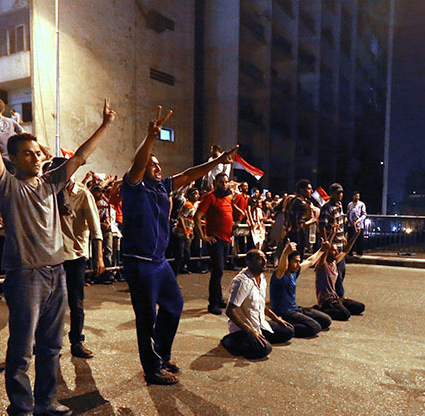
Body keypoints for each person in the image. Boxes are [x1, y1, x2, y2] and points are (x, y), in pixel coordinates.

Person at [0, 67, 116, 416]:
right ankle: (21, 413)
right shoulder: (9, 186)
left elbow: (79, 156)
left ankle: (46, 401)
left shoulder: (50, 182)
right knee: (21, 349)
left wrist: (105, 124)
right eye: (28, 154)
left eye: (37, 152)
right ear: (13, 160)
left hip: (57, 271)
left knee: (51, 345)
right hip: (25, 276)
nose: (37, 157)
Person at [121, 105, 237, 386]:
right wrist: (150, 138)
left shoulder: (162, 186)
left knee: (174, 306)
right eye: (153, 164)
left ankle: (161, 354)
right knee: (146, 318)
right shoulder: (134, 185)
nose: (157, 167)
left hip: (159, 262)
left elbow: (190, 174)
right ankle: (152, 369)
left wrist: (218, 160)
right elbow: (138, 164)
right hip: (140, 262)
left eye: (159, 164)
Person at [51, 158, 105, 358]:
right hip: (52, 255)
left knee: (76, 302)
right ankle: (48, 342)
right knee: (51, 302)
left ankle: (76, 342)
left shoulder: (83, 195)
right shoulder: (48, 194)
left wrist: (99, 257)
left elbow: (95, 228)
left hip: (74, 255)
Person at [220, 249, 295, 360]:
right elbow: (230, 310)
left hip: (259, 324)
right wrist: (250, 331)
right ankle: (229, 340)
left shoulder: (261, 278)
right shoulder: (242, 281)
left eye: (264, 258)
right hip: (243, 329)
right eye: (259, 259)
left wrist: (277, 319)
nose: (264, 261)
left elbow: (261, 305)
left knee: (288, 331)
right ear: (248, 262)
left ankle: (258, 338)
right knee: (265, 349)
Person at [270, 240, 332, 338]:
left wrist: (322, 250)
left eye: (299, 261)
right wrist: (286, 252)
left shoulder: (294, 272)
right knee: (315, 327)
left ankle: (290, 325)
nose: (298, 264)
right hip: (285, 313)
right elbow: (281, 266)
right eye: (295, 261)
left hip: (296, 309)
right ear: (287, 262)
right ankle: (283, 327)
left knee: (326, 320)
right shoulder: (279, 275)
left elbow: (310, 261)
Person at [195, 173, 234, 315]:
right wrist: (203, 237)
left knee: (221, 271)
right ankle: (213, 303)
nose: (224, 185)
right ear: (215, 183)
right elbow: (197, 216)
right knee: (217, 271)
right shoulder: (210, 197)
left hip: (226, 239)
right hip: (215, 239)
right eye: (221, 182)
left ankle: (219, 298)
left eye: (226, 182)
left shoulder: (228, 198)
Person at [314, 226, 365, 321]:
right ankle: (319, 309)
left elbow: (346, 251)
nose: (337, 252)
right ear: (328, 252)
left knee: (360, 307)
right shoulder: (322, 265)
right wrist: (331, 235)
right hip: (326, 301)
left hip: (336, 298)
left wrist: (356, 235)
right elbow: (325, 249)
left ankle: (337, 307)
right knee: (345, 314)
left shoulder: (334, 262)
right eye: (334, 250)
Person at [319, 183, 348, 301]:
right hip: (333, 245)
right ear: (331, 194)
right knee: (337, 272)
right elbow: (322, 225)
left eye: (341, 192)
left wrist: (344, 236)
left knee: (342, 270)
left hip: (340, 242)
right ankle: (339, 296)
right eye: (338, 193)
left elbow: (341, 222)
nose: (340, 195)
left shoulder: (339, 205)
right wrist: (327, 242)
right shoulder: (327, 208)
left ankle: (336, 293)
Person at [284, 179, 317, 256]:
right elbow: (300, 224)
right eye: (309, 189)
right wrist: (313, 220)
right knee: (296, 262)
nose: (311, 191)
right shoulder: (301, 203)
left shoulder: (291, 200)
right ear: (301, 190)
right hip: (297, 237)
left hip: (289, 235)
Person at [346, 191, 367, 256]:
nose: (357, 197)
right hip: (351, 224)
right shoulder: (350, 204)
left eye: (358, 196)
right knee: (350, 239)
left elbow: (364, 214)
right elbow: (348, 213)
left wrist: (359, 220)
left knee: (359, 239)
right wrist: (348, 220)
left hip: (359, 225)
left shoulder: (361, 204)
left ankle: (359, 252)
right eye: (356, 196)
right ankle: (350, 252)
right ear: (353, 196)